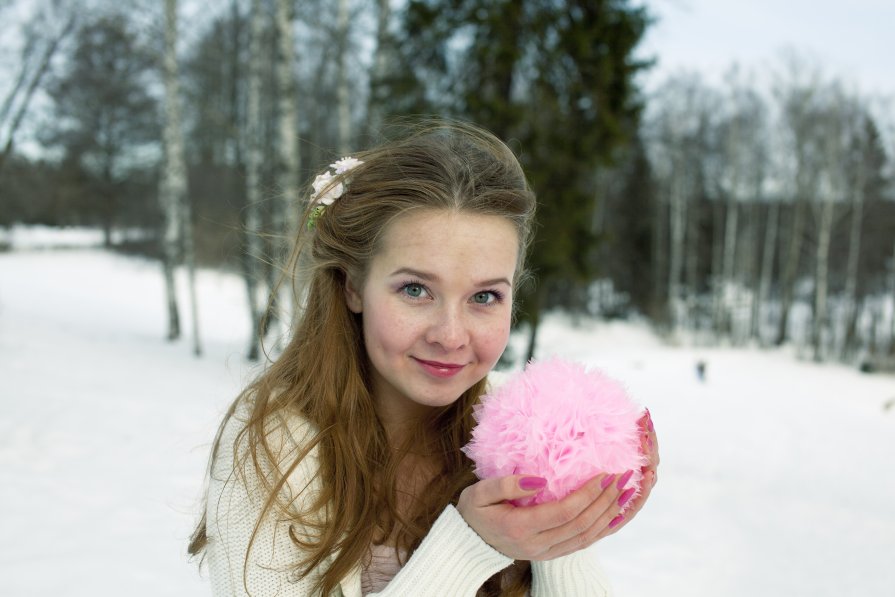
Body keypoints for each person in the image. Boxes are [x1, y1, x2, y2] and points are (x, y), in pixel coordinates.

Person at [188, 121, 660, 596]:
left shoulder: (513, 436)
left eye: (485, 297)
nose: (451, 336)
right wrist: (471, 544)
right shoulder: (275, 445)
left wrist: (566, 525)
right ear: (354, 285)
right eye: (415, 290)